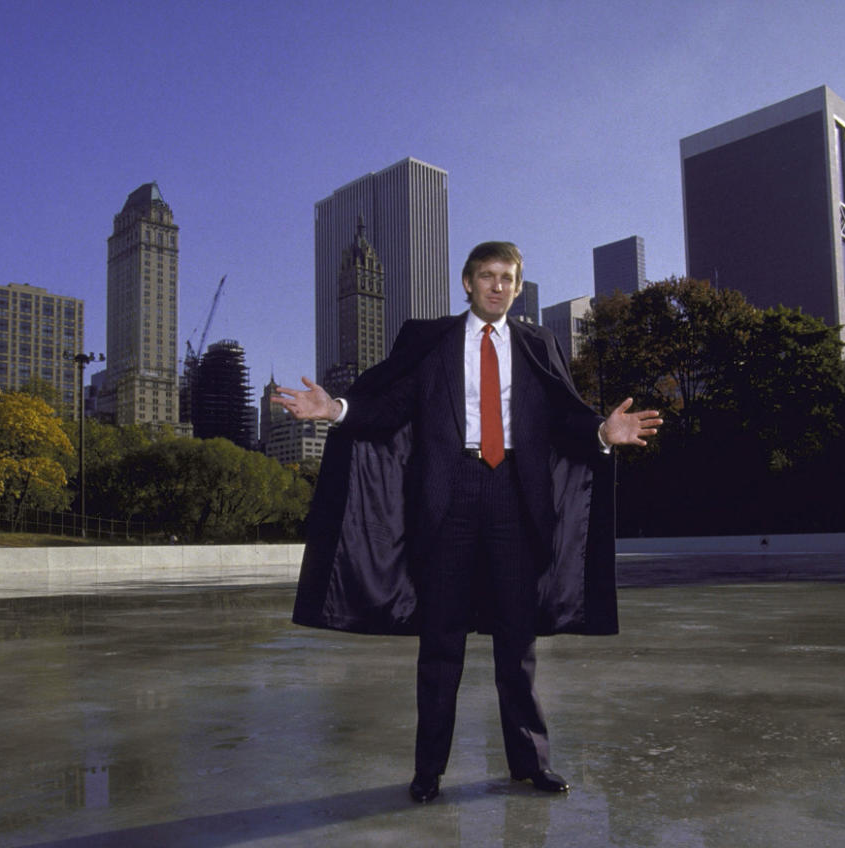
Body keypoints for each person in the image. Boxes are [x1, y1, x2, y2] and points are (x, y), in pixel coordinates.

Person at [280, 241, 660, 803]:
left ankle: (531, 763)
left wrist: (602, 434)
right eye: (488, 276)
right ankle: (428, 770)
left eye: (508, 278)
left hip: (515, 497)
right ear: (467, 282)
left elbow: (562, 419)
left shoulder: (538, 344)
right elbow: (389, 409)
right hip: (448, 496)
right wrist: (336, 410)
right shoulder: (429, 340)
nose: (498, 286)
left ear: (517, 285)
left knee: (517, 642)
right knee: (440, 644)